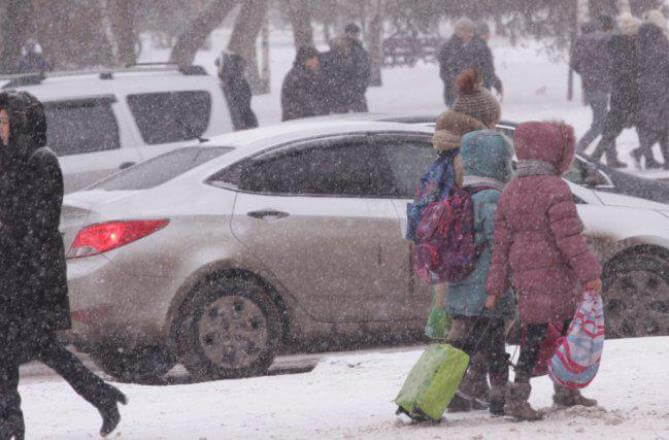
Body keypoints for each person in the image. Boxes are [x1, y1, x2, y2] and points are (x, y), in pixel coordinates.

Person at [0, 90, 126, 439]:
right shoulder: (5, 161)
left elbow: (40, 221)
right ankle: (101, 397)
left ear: (23, 123)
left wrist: (8, 231)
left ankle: (11, 422)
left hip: (32, 274)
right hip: (9, 272)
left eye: (5, 122)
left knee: (26, 347)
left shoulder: (42, 161)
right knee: (26, 348)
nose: (1, 129)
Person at [486, 121, 602, 421]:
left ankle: (521, 394)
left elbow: (500, 243)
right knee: (562, 332)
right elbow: (570, 238)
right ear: (554, 151)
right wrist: (589, 274)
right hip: (556, 271)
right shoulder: (555, 188)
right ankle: (561, 389)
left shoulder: (510, 190)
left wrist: (495, 285)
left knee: (534, 334)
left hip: (524, 273)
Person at [430, 68, 504, 412]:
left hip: (451, 257)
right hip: (472, 260)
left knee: (466, 328)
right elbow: (483, 215)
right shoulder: (469, 156)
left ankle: (459, 388)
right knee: (474, 328)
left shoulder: (445, 148)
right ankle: (454, 389)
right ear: (483, 119)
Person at [443, 129, 515, 417]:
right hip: (488, 290)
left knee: (462, 344)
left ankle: (449, 391)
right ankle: (499, 398)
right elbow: (500, 246)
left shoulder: (458, 196)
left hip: (460, 286)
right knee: (495, 345)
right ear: (496, 163)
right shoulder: (491, 200)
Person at [588, 13, 642, 168]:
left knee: (613, 128)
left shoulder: (616, 44)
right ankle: (641, 153)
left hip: (620, 93)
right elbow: (629, 70)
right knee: (649, 126)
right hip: (630, 93)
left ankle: (595, 158)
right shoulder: (629, 46)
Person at [571, 16, 614, 154]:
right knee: (601, 124)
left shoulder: (580, 42)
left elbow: (574, 64)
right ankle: (578, 150)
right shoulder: (604, 40)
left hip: (589, 86)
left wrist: (586, 73)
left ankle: (612, 156)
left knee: (604, 122)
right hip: (603, 85)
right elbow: (611, 61)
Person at [633, 21, 669, 169]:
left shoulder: (638, 48)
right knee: (664, 125)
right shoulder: (661, 49)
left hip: (643, 91)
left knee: (647, 126)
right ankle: (641, 153)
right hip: (661, 91)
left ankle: (648, 158)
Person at [321, 25, 371, 114]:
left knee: (347, 120)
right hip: (346, 95)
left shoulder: (360, 52)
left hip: (348, 95)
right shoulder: (360, 52)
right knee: (358, 120)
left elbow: (365, 73)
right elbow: (365, 73)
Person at [281, 46, 326, 121]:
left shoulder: (310, 75)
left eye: (316, 59)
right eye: (312, 59)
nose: (316, 62)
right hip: (300, 123)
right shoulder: (297, 78)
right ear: (304, 60)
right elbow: (304, 103)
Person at [438, 18, 476, 107]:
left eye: (471, 32)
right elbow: (445, 71)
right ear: (459, 31)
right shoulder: (449, 48)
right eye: (468, 31)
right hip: (454, 94)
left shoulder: (469, 46)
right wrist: (455, 83)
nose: (470, 35)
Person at [217, 52, 258, 131]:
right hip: (245, 123)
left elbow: (240, 107)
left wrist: (239, 125)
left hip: (243, 124)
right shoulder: (235, 82)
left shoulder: (235, 83)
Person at [472, 22, 503, 99]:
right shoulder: (481, 48)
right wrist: (495, 81)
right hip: (481, 85)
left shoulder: (476, 45)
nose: (488, 36)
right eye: (486, 33)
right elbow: (486, 68)